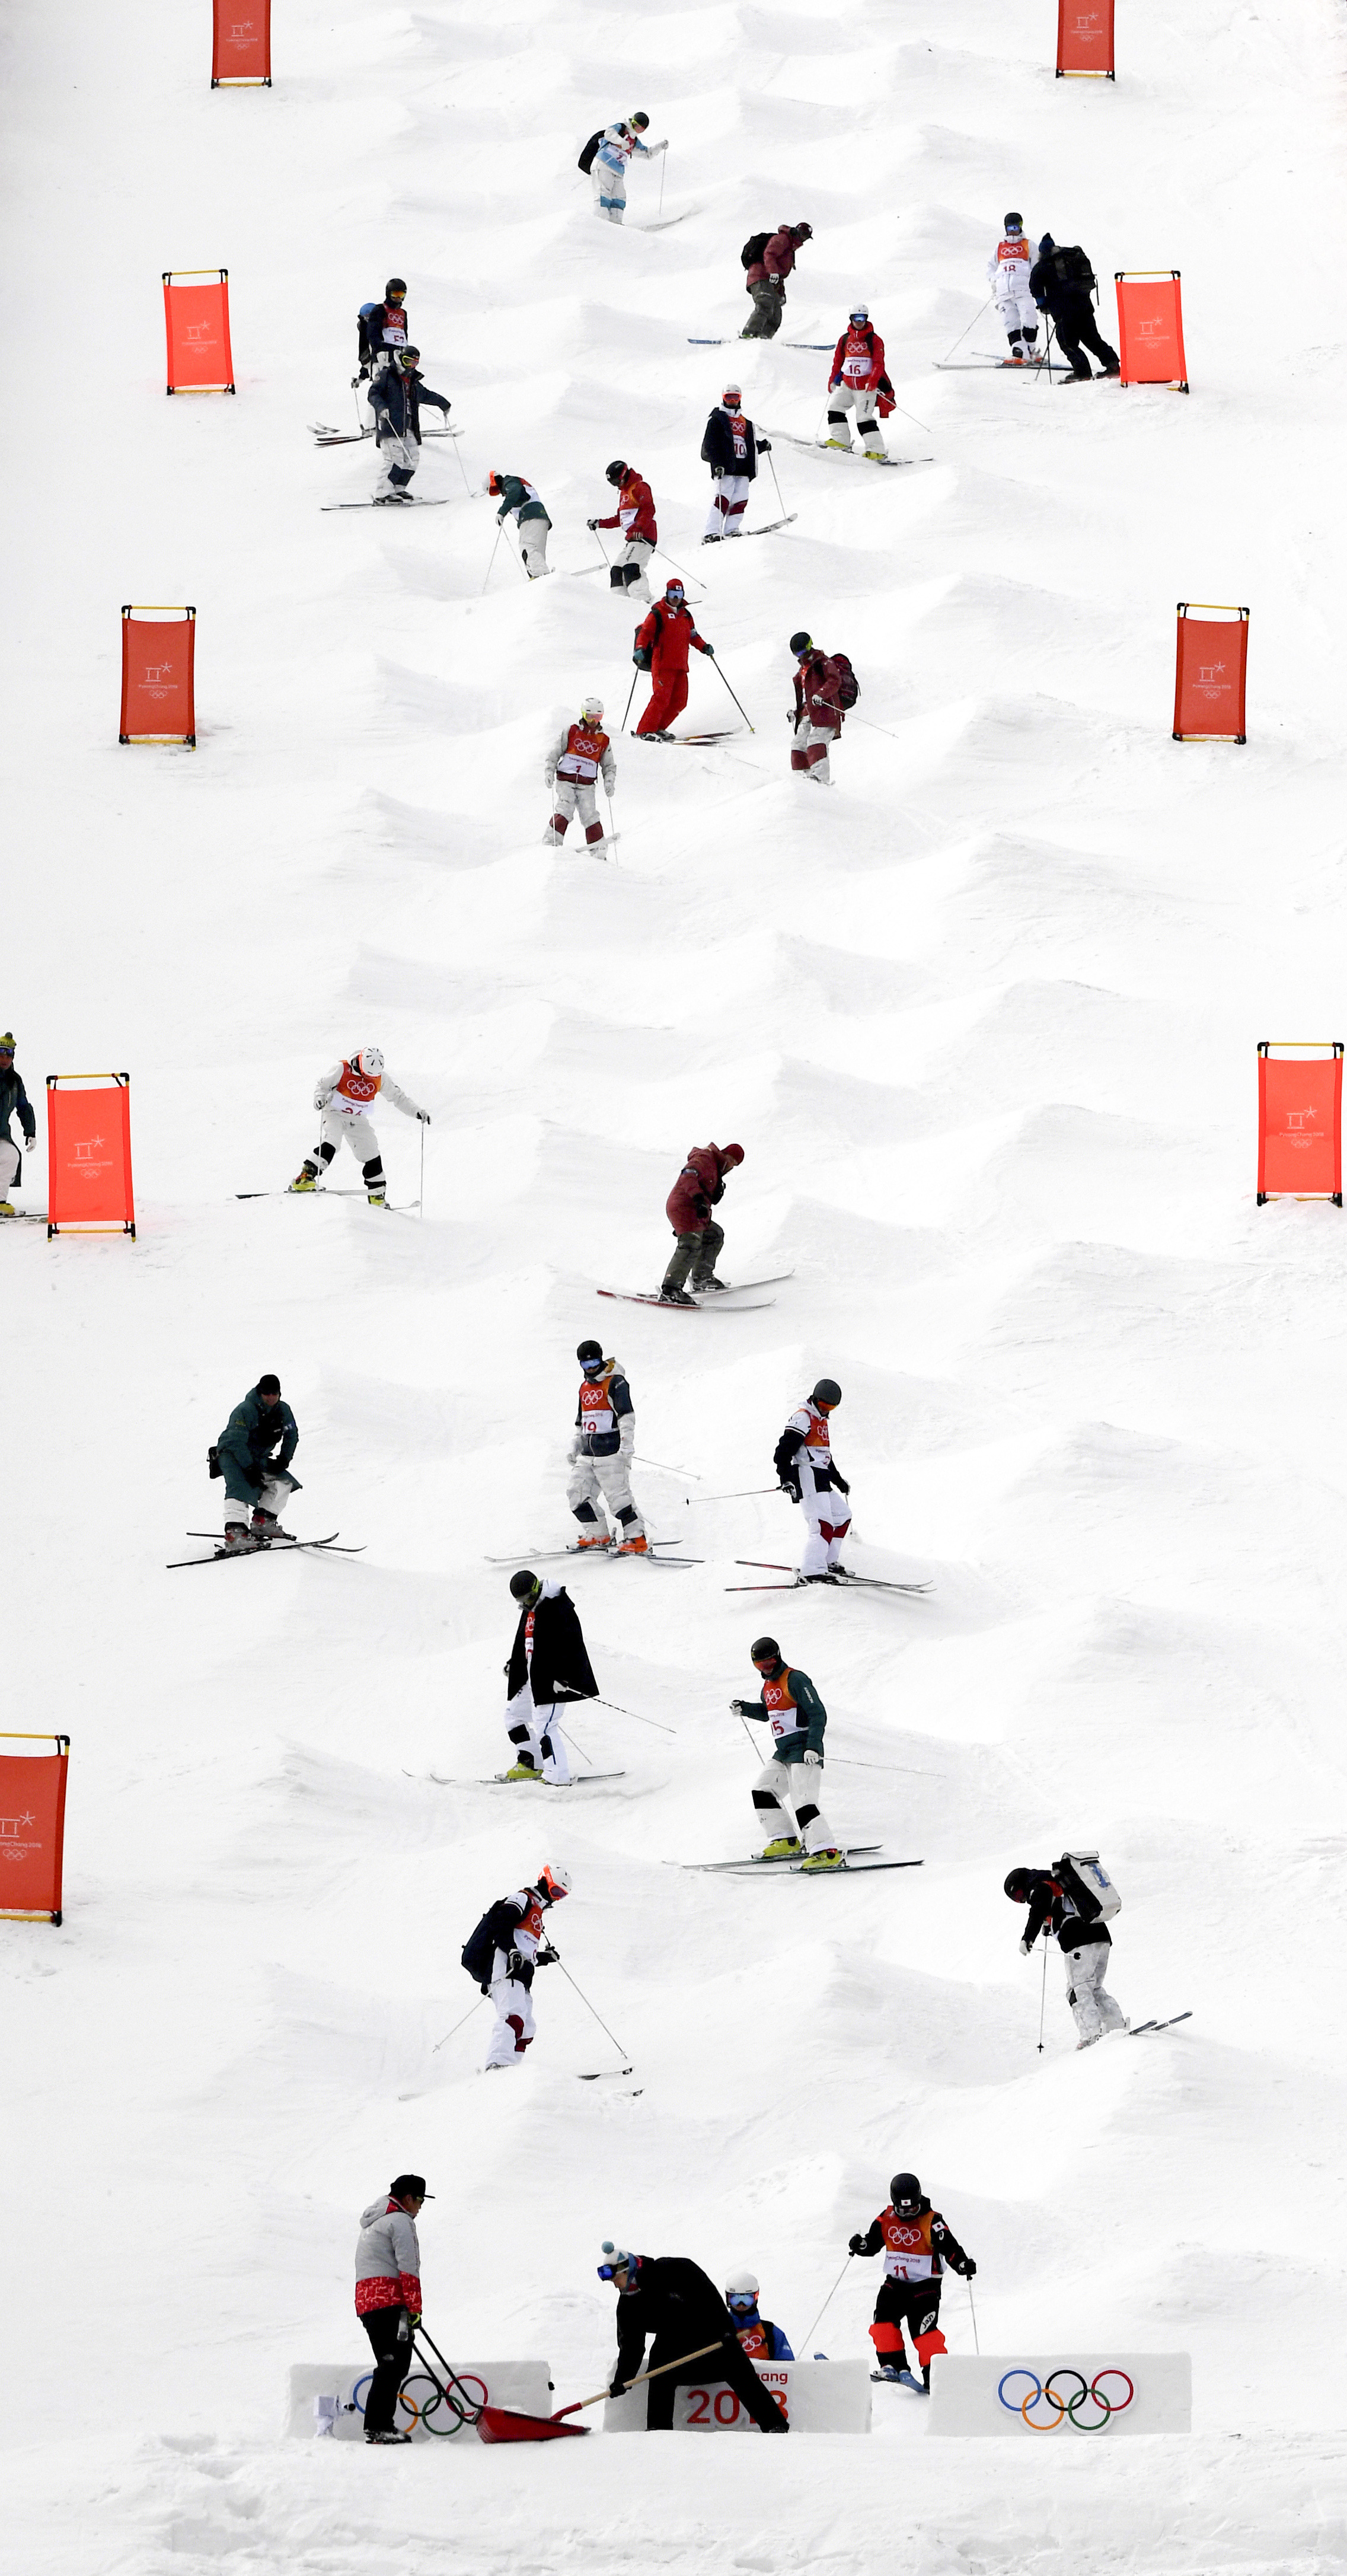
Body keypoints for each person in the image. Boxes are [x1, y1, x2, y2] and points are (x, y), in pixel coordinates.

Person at [598, 2245, 789, 2431]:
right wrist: (623, 2380)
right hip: (674, 2347)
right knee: (658, 2372)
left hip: (711, 2338)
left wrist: (726, 2331)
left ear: (627, 2270)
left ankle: (775, 2426)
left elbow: (711, 2298)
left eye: (616, 2278)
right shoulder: (628, 2306)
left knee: (738, 2366)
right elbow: (631, 2346)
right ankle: (658, 2432)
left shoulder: (674, 2269)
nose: (615, 2284)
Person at [848, 2172, 975, 2392]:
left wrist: (962, 2264)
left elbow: (950, 2247)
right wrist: (861, 2246)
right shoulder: (885, 2219)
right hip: (896, 2284)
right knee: (882, 2325)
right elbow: (872, 2245)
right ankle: (892, 2366)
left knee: (925, 2333)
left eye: (912, 2209)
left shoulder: (932, 2221)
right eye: (902, 2209)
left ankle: (936, 2377)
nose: (907, 2213)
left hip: (925, 2287)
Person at [730, 1635, 842, 1872]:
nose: (766, 1670)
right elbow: (768, 1712)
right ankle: (785, 1839)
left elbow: (818, 1713)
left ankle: (826, 1850)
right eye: (760, 1666)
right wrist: (746, 1708)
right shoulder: (768, 1688)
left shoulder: (795, 1679)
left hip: (804, 1750)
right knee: (762, 1790)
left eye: (769, 1664)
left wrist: (813, 1746)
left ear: (778, 1657)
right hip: (783, 1753)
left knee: (803, 1801)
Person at [1006, 1856, 1127, 2046]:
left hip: (1079, 1940)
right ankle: (1116, 2027)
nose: (1023, 1900)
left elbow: (1037, 1911)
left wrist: (1027, 1939)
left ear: (1022, 1885)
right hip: (1101, 1935)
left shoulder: (1040, 1886)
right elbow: (1060, 1909)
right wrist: (1051, 1923)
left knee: (1077, 1990)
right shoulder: (1062, 1883)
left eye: (1020, 1896)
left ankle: (1091, 2035)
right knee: (1093, 1987)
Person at [462, 1863, 570, 2070]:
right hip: (505, 1969)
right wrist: (511, 1951)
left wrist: (545, 1957)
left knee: (527, 2027)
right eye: (556, 1891)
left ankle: (511, 2068)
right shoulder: (523, 1898)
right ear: (545, 1881)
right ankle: (498, 2064)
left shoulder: (536, 1912)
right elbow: (500, 1924)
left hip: (522, 1975)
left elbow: (526, 1951)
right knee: (513, 2017)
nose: (556, 1898)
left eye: (561, 1896)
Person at [290, 1047, 429, 1207]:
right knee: (332, 1141)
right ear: (361, 1064)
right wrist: (319, 1098)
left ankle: (377, 1195)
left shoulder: (380, 1078)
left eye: (373, 1076)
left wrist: (417, 1112)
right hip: (334, 1112)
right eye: (367, 1074)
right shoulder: (342, 1069)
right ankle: (305, 1178)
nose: (370, 1078)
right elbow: (322, 1086)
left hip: (357, 1117)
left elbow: (397, 1097)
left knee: (371, 1150)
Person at [355, 2174, 431, 2442]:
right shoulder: (400, 2221)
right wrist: (415, 2309)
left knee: (391, 2365)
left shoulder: (373, 2223)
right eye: (421, 2200)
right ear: (409, 2198)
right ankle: (378, 2426)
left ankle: (379, 2425)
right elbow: (409, 2269)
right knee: (393, 2367)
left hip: (368, 2303)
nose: (421, 2207)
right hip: (389, 2303)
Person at [503, 1569, 599, 1782]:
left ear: (536, 1589)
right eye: (520, 1600)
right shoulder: (530, 1608)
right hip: (531, 1678)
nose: (524, 1603)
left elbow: (572, 1647)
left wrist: (564, 1678)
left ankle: (558, 1775)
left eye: (527, 1598)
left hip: (553, 1682)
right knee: (514, 1716)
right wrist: (515, 1664)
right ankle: (530, 1763)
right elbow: (524, 1641)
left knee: (545, 1726)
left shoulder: (558, 1608)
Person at [569, 1339, 646, 1554]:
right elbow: (582, 1420)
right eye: (585, 1364)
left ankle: (636, 1539)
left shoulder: (615, 1382)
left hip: (611, 1453)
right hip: (588, 1453)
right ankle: (597, 1534)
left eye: (594, 1361)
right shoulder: (584, 1388)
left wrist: (627, 1446)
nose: (591, 1367)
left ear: (601, 1358)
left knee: (619, 1499)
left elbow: (626, 1417)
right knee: (577, 1494)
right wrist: (576, 1444)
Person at [774, 1377, 851, 1578]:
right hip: (807, 1475)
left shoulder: (821, 1422)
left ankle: (827, 1561)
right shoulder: (803, 1418)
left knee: (843, 1516)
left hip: (822, 1477)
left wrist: (839, 1480)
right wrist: (785, 1477)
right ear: (816, 1399)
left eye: (831, 1407)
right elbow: (783, 1451)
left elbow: (824, 1456)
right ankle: (812, 1570)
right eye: (824, 1404)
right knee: (822, 1525)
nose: (826, 1410)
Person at [215, 1374, 299, 1551]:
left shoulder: (283, 1411)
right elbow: (235, 1442)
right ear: (260, 1393)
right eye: (266, 1393)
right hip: (231, 1454)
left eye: (274, 1393)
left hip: (257, 1458)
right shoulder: (245, 1410)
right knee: (240, 1486)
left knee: (282, 1481)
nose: (271, 1397)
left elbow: (291, 1435)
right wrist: (249, 1468)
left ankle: (263, 1522)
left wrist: (284, 1459)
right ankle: (235, 1533)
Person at [659, 1140, 743, 1303]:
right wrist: (699, 1199)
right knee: (691, 1243)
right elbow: (688, 1176)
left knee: (714, 1235)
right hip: (684, 1206)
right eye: (733, 1163)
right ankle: (671, 1290)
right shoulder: (705, 1158)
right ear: (727, 1155)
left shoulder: (715, 1168)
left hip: (694, 1211)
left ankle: (702, 1279)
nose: (731, 1168)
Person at [1029, 234, 1119, 382]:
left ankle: (1082, 373)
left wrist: (1044, 306)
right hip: (1085, 307)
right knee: (1092, 338)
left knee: (1067, 342)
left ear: (1041, 252)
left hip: (1064, 311)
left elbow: (1035, 289)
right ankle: (1113, 366)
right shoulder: (1071, 260)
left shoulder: (1042, 266)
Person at [631, 581, 715, 741]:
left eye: (679, 595)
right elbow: (646, 632)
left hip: (681, 666)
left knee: (680, 702)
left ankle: (658, 729)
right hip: (663, 664)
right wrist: (640, 648)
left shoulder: (686, 615)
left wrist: (704, 647)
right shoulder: (658, 613)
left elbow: (693, 636)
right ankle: (644, 731)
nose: (676, 598)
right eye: (673, 595)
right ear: (667, 594)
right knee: (661, 698)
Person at [366, 346, 452, 501]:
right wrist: (381, 408)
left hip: (409, 427)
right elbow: (373, 394)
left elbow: (426, 395)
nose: (411, 366)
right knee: (394, 460)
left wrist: (444, 404)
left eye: (415, 363)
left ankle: (398, 489)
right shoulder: (386, 375)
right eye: (408, 362)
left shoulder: (412, 382)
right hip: (390, 425)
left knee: (412, 459)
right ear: (401, 359)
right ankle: (382, 494)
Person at [544, 699, 615, 853]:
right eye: (590, 717)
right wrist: (549, 770)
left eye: (598, 718)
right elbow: (554, 753)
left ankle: (598, 849)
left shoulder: (603, 740)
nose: (594, 721)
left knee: (590, 813)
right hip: (566, 780)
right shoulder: (571, 732)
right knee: (565, 808)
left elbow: (609, 766)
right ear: (583, 715)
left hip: (587, 785)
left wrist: (609, 782)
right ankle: (551, 842)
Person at [700, 387, 771, 540]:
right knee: (723, 498)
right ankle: (711, 532)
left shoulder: (746, 422)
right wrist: (717, 463)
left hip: (743, 468)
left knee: (740, 499)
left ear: (740, 398)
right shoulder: (717, 419)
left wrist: (761, 446)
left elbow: (747, 446)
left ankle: (732, 529)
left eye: (735, 397)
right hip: (725, 467)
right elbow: (709, 445)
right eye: (729, 397)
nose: (732, 401)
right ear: (723, 398)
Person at [824, 307, 894, 455]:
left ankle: (877, 450)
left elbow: (879, 363)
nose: (860, 322)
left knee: (863, 418)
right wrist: (833, 380)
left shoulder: (874, 340)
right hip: (847, 385)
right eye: (857, 318)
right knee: (834, 407)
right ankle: (840, 440)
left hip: (865, 388)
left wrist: (873, 381)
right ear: (851, 319)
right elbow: (838, 361)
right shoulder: (845, 339)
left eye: (863, 318)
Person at [789, 632, 856, 785]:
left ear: (809, 645)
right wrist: (796, 712)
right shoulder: (803, 672)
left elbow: (835, 680)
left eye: (802, 652)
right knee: (798, 743)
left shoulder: (823, 662)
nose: (801, 656)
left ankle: (820, 779)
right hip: (810, 712)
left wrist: (822, 694)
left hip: (826, 711)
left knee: (816, 741)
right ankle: (801, 776)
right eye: (797, 654)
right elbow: (806, 697)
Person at [589, 460, 657, 601]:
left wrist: (639, 527)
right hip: (632, 539)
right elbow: (620, 519)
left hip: (643, 536)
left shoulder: (640, 487)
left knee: (631, 568)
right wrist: (599, 524)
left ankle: (645, 601)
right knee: (617, 571)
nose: (617, 485)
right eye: (613, 483)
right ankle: (622, 604)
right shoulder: (624, 494)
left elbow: (648, 509)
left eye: (618, 481)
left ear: (625, 474)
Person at [741, 222, 813, 339]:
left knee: (776, 314)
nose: (803, 238)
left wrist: (781, 293)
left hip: (770, 279)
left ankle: (763, 338)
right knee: (765, 302)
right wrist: (773, 271)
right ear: (797, 231)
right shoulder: (783, 239)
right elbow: (769, 254)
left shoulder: (790, 248)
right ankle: (749, 333)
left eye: (806, 237)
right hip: (760, 275)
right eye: (803, 234)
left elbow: (780, 276)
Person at [591, 114, 666, 224]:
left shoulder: (634, 141)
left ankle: (615, 223)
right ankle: (600, 222)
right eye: (635, 126)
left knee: (619, 197)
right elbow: (609, 133)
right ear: (632, 122)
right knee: (603, 193)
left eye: (640, 129)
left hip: (618, 171)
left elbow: (647, 154)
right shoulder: (621, 128)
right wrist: (621, 141)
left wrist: (660, 146)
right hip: (604, 164)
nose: (637, 129)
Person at [987, 216, 1042, 364]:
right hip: (1003, 292)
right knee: (1010, 322)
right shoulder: (999, 248)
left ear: (1021, 227)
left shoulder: (1029, 245)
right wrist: (995, 281)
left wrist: (1037, 284)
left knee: (1029, 317)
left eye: (1015, 229)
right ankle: (1018, 351)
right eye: (1010, 229)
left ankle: (1030, 350)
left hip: (1023, 290)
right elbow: (991, 267)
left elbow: (1037, 266)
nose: (1013, 232)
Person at [488, 470, 552, 578]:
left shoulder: (510, 482)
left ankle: (540, 575)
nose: (500, 493)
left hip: (530, 516)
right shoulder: (516, 484)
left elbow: (515, 491)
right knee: (536, 551)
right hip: (539, 518)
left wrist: (502, 512)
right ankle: (540, 575)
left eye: (496, 490)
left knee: (528, 546)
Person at [0, 1032, 36, 1218]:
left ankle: (0, 1202)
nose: (5, 1059)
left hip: (1, 1135)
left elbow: (23, 1106)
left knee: (10, 1156)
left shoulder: (15, 1081)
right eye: (1, 1054)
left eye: (9, 1055)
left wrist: (30, 1131)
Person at [724, 2270, 794, 2360]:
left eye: (747, 2299)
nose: (741, 2305)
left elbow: (787, 2369)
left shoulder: (770, 2332)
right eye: (735, 2299)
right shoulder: (719, 2331)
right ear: (728, 2299)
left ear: (756, 2297)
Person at [356, 279, 410, 381]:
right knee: (385, 388)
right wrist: (379, 350)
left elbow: (404, 333)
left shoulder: (403, 313)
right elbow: (372, 333)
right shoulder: (380, 309)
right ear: (388, 293)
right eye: (395, 294)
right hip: (384, 357)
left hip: (400, 357)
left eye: (401, 295)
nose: (398, 298)